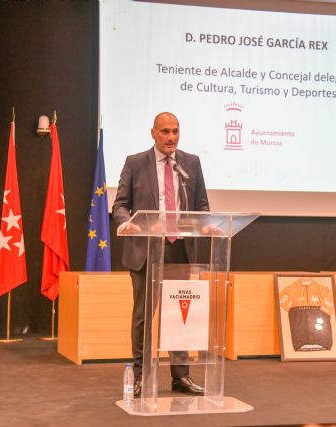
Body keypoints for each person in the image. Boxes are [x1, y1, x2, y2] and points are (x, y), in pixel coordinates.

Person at [112, 112, 209, 397]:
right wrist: (128, 223)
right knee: (144, 317)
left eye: (175, 131)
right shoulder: (135, 163)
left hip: (180, 249)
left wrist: (204, 224)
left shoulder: (191, 163)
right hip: (146, 250)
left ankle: (181, 376)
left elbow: (201, 205)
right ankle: (141, 376)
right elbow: (120, 205)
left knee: (180, 314)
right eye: (165, 131)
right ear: (153, 133)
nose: (171, 137)